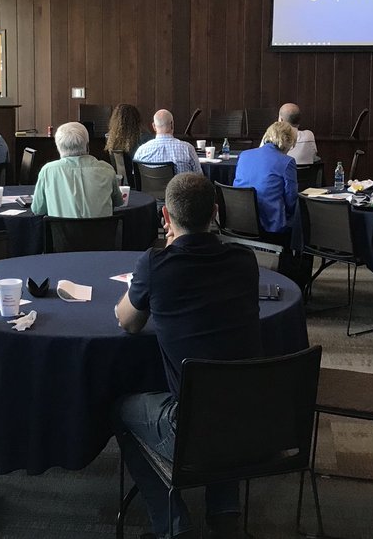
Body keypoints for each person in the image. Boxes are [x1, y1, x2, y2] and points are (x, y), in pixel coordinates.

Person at [112, 172, 261, 539]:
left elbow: (128, 322)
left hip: (188, 427)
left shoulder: (155, 264)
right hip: (255, 419)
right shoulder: (245, 261)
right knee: (223, 391)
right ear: (214, 212)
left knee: (118, 408)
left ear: (165, 216)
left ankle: (173, 527)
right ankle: (224, 510)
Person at [234, 121, 299, 272]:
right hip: (271, 225)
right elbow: (291, 200)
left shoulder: (244, 155)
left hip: (240, 221)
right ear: (288, 142)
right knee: (302, 225)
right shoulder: (287, 162)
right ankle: (296, 279)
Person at [32, 122, 123, 218]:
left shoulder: (47, 171)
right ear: (87, 145)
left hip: (62, 232)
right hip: (102, 232)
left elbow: (38, 210)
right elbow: (117, 202)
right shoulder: (107, 169)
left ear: (58, 147)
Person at [132, 109, 202, 176]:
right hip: (179, 188)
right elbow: (199, 177)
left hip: (148, 188)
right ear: (172, 124)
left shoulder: (141, 151)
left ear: (154, 126)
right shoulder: (187, 148)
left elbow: (135, 176)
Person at [105, 103, 149, 185]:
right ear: (137, 119)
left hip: (121, 183)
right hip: (142, 182)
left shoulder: (111, 140)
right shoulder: (144, 139)